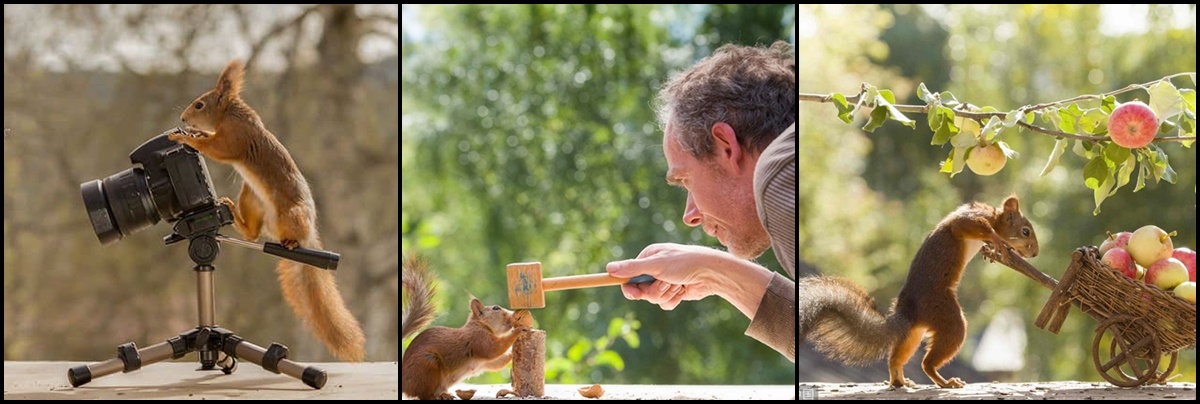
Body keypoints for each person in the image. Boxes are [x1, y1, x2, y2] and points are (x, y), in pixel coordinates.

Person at [605, 41, 796, 362]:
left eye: (686, 181)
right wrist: (714, 273)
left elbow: (831, 350)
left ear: (725, 146)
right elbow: (816, 329)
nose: (690, 216)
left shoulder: (776, 178)